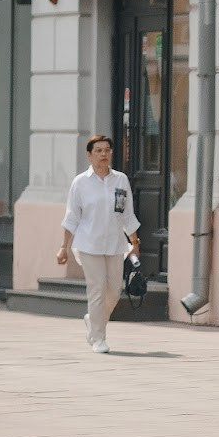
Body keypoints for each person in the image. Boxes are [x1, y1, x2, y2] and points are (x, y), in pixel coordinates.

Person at [57, 134, 140, 354]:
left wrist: (134, 242)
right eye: (98, 151)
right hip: (88, 244)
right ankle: (98, 338)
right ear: (89, 155)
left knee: (114, 290)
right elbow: (72, 217)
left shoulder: (120, 180)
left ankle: (94, 319)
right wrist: (64, 246)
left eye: (107, 150)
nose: (103, 154)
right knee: (97, 290)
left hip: (115, 244)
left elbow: (127, 214)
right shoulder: (80, 183)